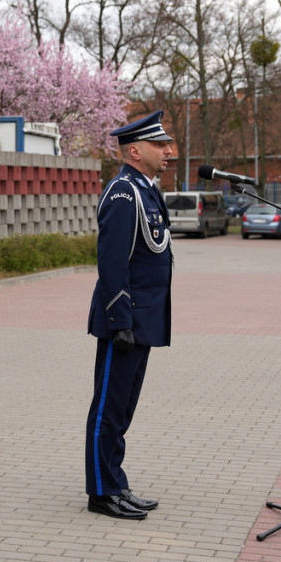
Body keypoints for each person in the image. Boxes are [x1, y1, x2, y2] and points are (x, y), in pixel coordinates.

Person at [84, 111, 174, 521]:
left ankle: (115, 482)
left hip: (144, 319)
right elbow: (113, 264)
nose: (169, 151)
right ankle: (101, 492)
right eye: (161, 145)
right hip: (126, 320)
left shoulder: (147, 190)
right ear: (135, 151)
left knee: (123, 410)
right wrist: (120, 321)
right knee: (108, 407)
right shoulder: (123, 192)